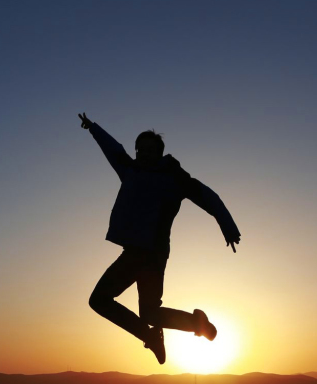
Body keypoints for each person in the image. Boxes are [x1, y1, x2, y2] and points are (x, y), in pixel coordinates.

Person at [79, 112, 241, 364]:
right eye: (139, 149)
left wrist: (227, 225)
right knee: (151, 313)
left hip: (149, 254)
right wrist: (93, 128)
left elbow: (207, 195)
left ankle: (152, 336)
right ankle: (195, 323)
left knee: (99, 300)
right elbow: (114, 150)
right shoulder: (130, 170)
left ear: (159, 152)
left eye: (148, 150)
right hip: (137, 252)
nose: (142, 154)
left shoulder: (173, 178)